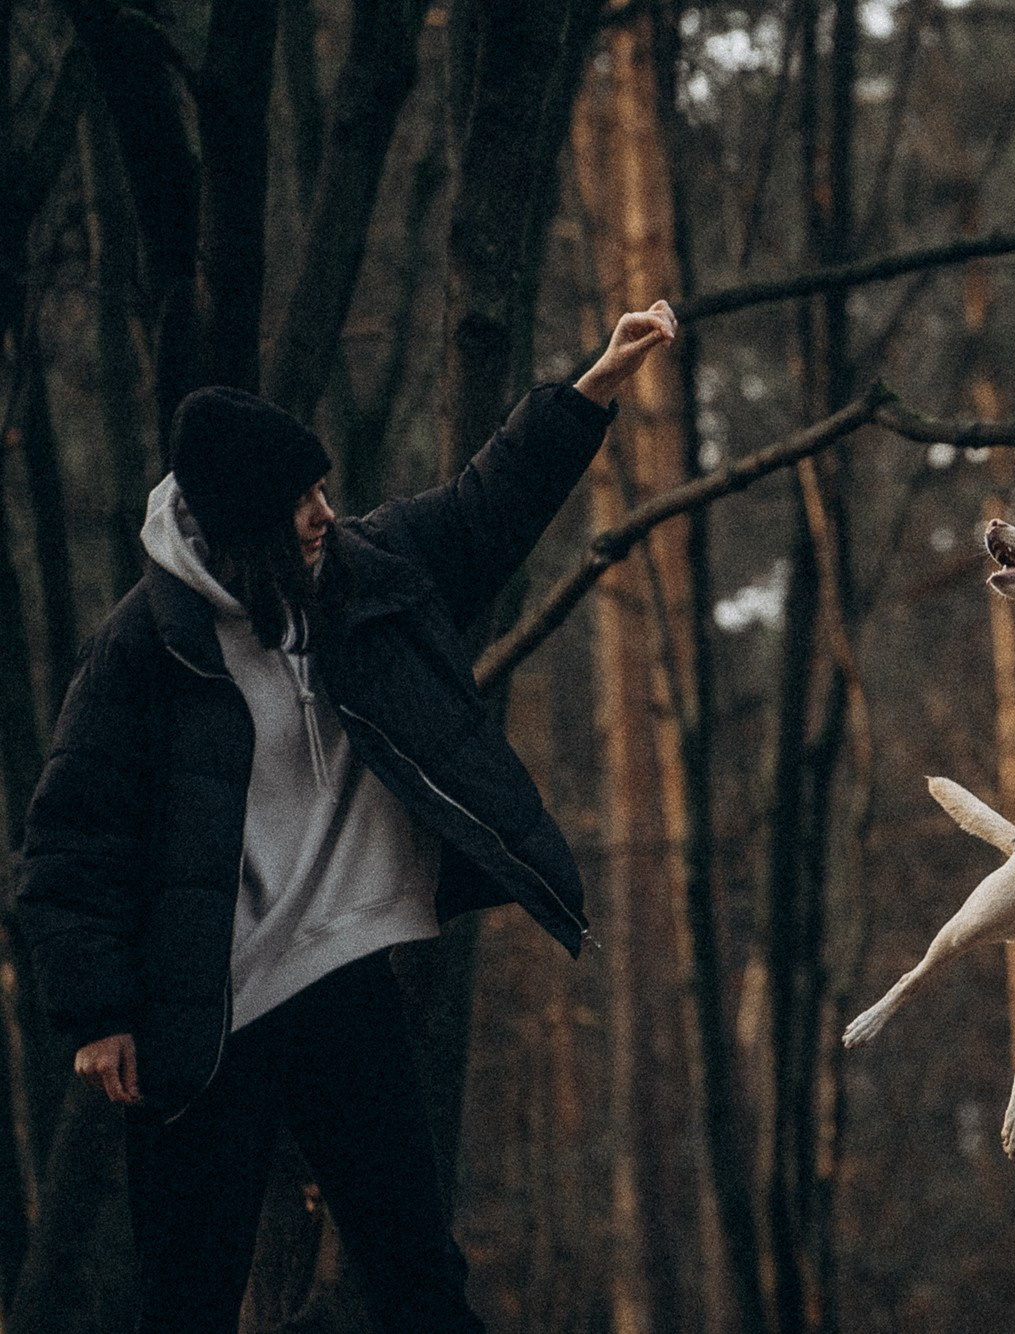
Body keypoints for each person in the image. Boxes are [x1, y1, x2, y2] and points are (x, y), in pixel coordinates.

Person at [16, 299, 678, 1330]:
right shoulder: (147, 649)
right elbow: (70, 837)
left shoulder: (362, 575)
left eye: (322, 488)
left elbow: (481, 509)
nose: (323, 511)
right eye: (298, 501)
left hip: (341, 982)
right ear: (239, 526)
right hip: (208, 1009)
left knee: (417, 1266)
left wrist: (591, 384)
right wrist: (95, 1010)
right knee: (185, 1293)